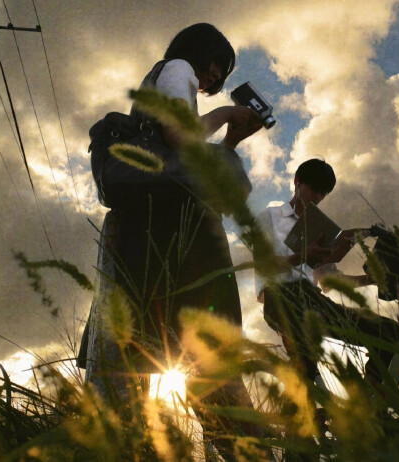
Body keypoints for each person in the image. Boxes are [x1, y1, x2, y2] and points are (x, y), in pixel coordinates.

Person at [78, 23, 266, 458]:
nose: (215, 79)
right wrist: (223, 118)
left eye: (220, 76)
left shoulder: (175, 81)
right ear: (200, 52)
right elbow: (177, 138)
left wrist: (231, 138)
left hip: (147, 232)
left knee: (125, 363)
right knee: (208, 362)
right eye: (217, 65)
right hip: (167, 231)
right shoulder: (177, 66)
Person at [255, 159, 399, 396]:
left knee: (392, 333)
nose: (318, 197)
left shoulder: (319, 228)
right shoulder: (270, 217)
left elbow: (329, 279)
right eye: (314, 189)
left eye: (324, 193)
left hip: (314, 300)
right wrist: (304, 255)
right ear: (297, 182)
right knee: (306, 368)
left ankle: (368, 404)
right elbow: (264, 266)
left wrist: (373, 280)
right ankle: (304, 418)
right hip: (282, 298)